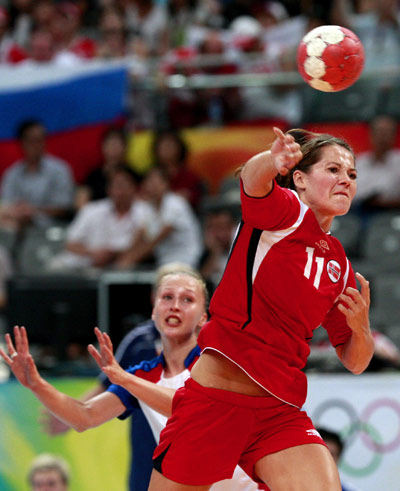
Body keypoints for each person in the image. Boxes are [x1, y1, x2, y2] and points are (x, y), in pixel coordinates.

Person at [144, 126, 373, 490]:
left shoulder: (341, 266)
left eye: (352, 174)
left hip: (277, 412)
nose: (345, 179)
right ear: (299, 178)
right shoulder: (285, 213)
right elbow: (252, 180)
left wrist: (361, 329)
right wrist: (272, 159)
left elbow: (356, 361)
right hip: (213, 402)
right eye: (333, 170)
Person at [1, 270, 265, 490]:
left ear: (203, 318)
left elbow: (192, 411)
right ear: (153, 312)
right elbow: (84, 417)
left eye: (187, 300)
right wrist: (35, 383)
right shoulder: (142, 374)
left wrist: (125, 380)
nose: (175, 305)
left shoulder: (220, 359)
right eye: (167, 297)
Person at [49, 165, 149, 271]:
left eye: (124, 185)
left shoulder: (145, 211)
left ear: (134, 188)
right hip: (88, 265)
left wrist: (113, 254)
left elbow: (147, 243)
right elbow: (70, 243)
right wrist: (93, 254)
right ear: (109, 189)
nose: (120, 191)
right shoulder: (90, 210)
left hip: (127, 267)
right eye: (117, 186)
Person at [116, 166, 203, 269]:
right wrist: (123, 258)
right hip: (163, 260)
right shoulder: (148, 208)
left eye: (155, 182)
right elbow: (141, 236)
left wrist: (130, 260)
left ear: (166, 184)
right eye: (149, 182)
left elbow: (157, 239)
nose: (151, 186)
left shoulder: (176, 203)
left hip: (186, 259)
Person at [0, 119, 75, 230]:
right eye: (32, 140)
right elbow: (6, 205)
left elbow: (64, 207)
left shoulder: (60, 170)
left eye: (41, 140)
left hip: (53, 229)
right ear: (22, 143)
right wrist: (18, 211)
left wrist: (33, 210)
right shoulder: (12, 173)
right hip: (17, 229)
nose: (37, 145)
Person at [351, 114, 400, 212]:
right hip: (359, 211)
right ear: (371, 134)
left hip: (392, 212)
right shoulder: (358, 162)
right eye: (380, 132)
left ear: (394, 135)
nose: (383, 137)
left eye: (387, 132)